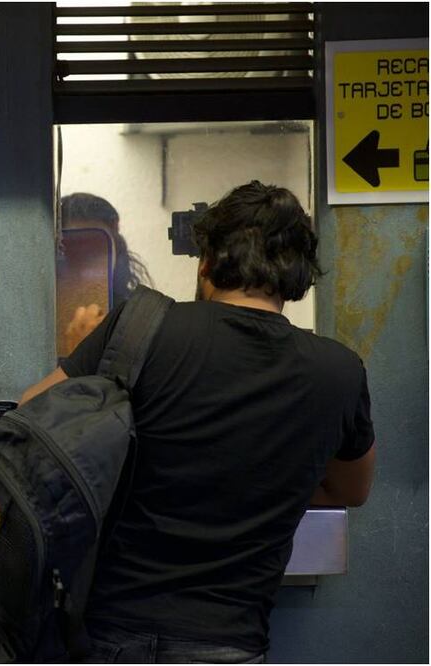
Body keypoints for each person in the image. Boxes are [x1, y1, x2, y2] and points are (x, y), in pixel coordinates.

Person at [22, 181, 375, 662]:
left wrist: (96, 368)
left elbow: (32, 420)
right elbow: (348, 490)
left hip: (108, 632)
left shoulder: (140, 329)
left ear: (206, 261)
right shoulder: (339, 371)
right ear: (299, 273)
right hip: (229, 638)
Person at [58, 193, 152, 354]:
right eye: (71, 251)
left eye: (94, 251)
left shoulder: (137, 317)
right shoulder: (43, 314)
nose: (84, 267)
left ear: (115, 247)